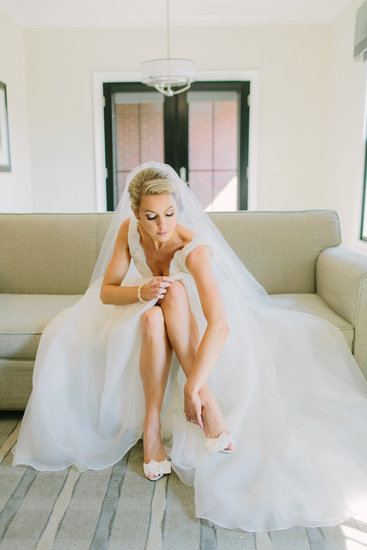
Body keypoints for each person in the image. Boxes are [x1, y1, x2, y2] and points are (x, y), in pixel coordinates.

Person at [12, 161, 367, 532]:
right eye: (150, 217)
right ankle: (161, 426)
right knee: (152, 314)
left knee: (175, 291)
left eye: (169, 213)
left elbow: (220, 323)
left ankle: (187, 409)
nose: (162, 225)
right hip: (144, 304)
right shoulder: (127, 231)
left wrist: (193, 385)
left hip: (191, 315)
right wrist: (141, 290)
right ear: (136, 214)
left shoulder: (193, 248)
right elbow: (106, 291)